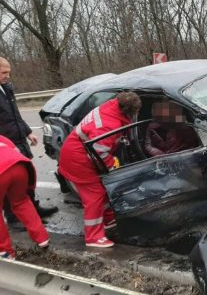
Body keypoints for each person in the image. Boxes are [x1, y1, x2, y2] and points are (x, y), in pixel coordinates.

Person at [58, 91, 142, 248]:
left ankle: (108, 219)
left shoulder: (111, 107)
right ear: (128, 111)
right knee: (94, 195)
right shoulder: (108, 125)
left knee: (102, 189)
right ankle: (94, 237)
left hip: (80, 151)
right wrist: (111, 166)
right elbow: (99, 152)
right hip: (78, 159)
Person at [0, 57, 58, 223]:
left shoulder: (6, 88)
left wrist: (27, 132)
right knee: (9, 183)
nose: (8, 76)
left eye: (8, 72)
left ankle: (32, 208)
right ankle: (14, 218)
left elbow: (14, 115)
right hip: (5, 146)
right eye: (4, 72)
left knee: (26, 178)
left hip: (19, 139)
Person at [0, 135, 49, 260]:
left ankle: (5, 252)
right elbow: (16, 152)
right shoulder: (2, 138)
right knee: (21, 201)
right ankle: (42, 239)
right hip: (19, 166)